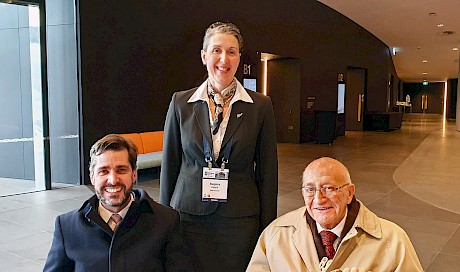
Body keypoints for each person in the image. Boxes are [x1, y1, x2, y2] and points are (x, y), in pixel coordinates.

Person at [160, 22, 278, 272]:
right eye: (216, 50)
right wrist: (164, 219)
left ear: (238, 58)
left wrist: (269, 228)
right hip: (188, 215)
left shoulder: (260, 106)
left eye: (232, 52)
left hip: (239, 220)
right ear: (204, 56)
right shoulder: (181, 103)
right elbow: (170, 165)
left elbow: (268, 173)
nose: (224, 59)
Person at [43, 134, 192, 272]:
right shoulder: (68, 227)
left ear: (134, 174)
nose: (113, 180)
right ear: (92, 177)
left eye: (121, 170)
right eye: (104, 171)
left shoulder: (166, 221)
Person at [247, 157, 423, 272]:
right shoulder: (275, 235)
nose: (318, 199)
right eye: (310, 189)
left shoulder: (392, 242)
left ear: (349, 193)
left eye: (329, 188)